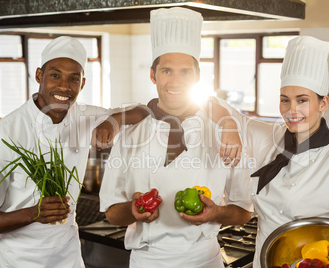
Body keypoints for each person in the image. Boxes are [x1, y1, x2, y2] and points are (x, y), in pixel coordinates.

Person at [99, 7, 274, 268]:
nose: (175, 81)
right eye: (167, 71)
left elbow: (243, 211)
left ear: (197, 76)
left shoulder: (224, 132)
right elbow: (112, 212)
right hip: (148, 260)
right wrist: (133, 210)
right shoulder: (130, 134)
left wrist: (217, 213)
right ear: (153, 75)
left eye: (185, 72)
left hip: (203, 258)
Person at [0, 36, 151, 267]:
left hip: (68, 257)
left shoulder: (83, 116)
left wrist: (113, 120)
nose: (64, 87)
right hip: (19, 260)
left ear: (82, 84)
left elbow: (145, 110)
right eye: (55, 75)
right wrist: (34, 214)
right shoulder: (1, 135)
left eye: (73, 79)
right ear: (39, 76)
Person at [249, 36, 329, 267]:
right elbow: (215, 110)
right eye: (285, 100)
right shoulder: (273, 137)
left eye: (302, 100)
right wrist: (227, 127)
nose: (292, 110)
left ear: (323, 104)